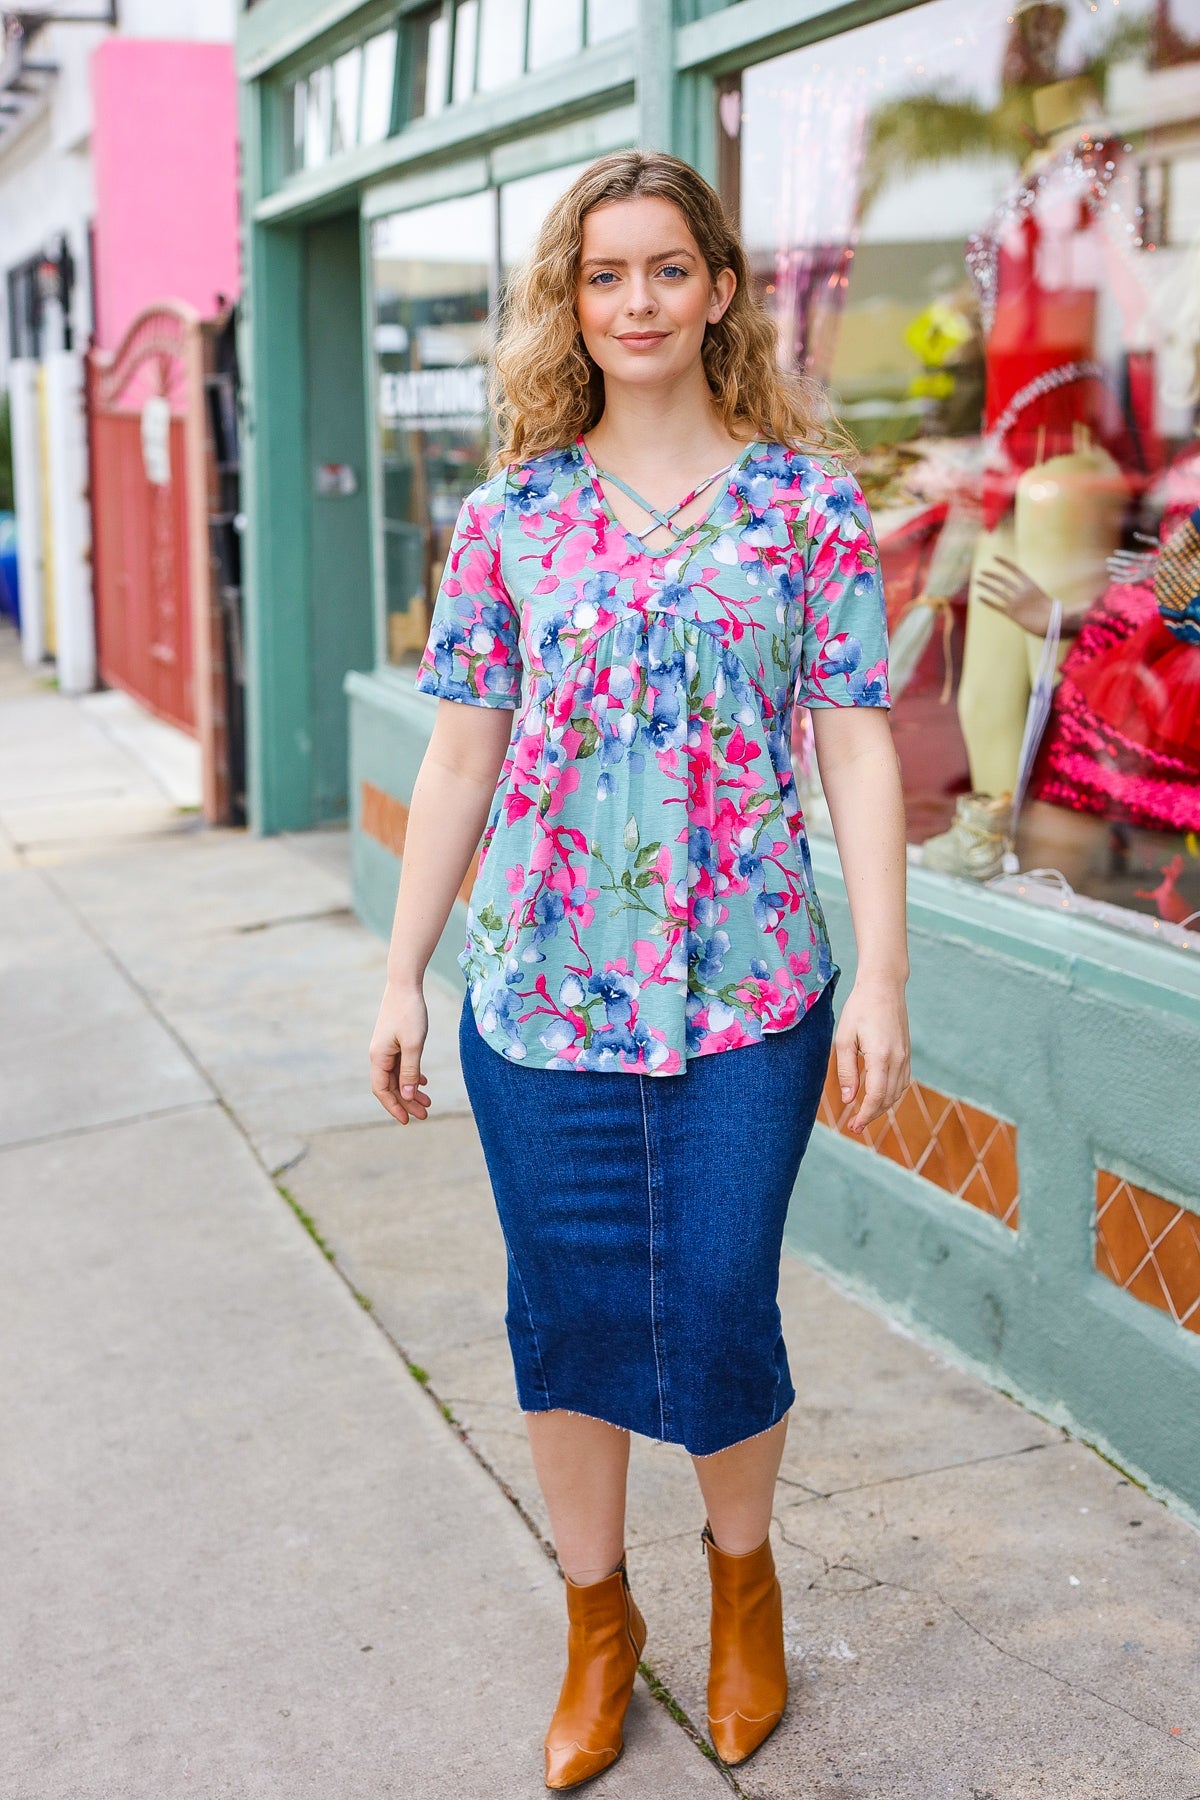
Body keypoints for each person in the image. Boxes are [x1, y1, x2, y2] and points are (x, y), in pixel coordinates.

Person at [369, 150, 910, 1791]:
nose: (638, 302)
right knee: (569, 1310)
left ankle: (742, 1590)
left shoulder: (806, 506)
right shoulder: (512, 515)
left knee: (723, 1295)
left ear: (721, 290)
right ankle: (600, 1624)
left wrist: (881, 975)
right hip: (538, 995)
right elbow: (462, 763)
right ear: (574, 304)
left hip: (753, 991)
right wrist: (402, 976)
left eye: (668, 270)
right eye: (606, 277)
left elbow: (861, 751)